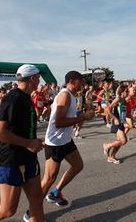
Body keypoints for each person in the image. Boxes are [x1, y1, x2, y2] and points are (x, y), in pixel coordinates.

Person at [0, 64, 44, 222]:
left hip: (28, 158)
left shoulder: (25, 96)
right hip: (12, 160)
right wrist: (29, 142)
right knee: (7, 210)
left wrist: (33, 142)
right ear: (33, 78)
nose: (40, 80)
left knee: (36, 200)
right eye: (39, 77)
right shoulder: (13, 97)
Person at [35, 71, 94, 217]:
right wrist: (83, 117)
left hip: (66, 141)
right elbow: (59, 122)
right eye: (81, 81)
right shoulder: (65, 95)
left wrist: (82, 118)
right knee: (49, 178)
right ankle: (32, 211)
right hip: (55, 143)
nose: (83, 84)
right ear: (72, 81)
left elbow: (68, 120)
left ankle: (55, 192)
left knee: (78, 165)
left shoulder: (72, 96)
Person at [103, 85, 132, 164]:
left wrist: (129, 117)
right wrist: (115, 118)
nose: (128, 93)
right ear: (122, 92)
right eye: (126, 91)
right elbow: (108, 109)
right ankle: (107, 145)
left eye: (128, 91)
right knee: (123, 141)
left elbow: (123, 112)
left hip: (121, 123)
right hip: (117, 123)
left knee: (119, 141)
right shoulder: (118, 99)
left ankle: (111, 157)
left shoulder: (124, 100)